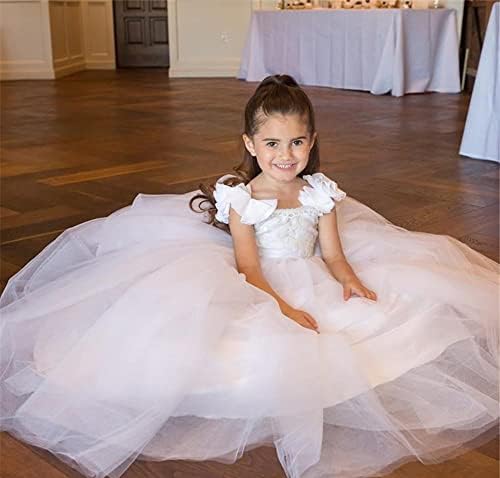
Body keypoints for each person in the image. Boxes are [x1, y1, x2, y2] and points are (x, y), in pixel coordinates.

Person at [0, 75, 498, 478]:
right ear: (251, 144)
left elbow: (332, 254)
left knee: (382, 322)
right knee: (244, 348)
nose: (286, 155)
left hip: (310, 272)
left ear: (312, 142)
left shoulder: (319, 193)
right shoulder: (244, 200)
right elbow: (249, 268)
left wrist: (349, 280)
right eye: (273, 143)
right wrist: (284, 309)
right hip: (263, 281)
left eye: (297, 142)